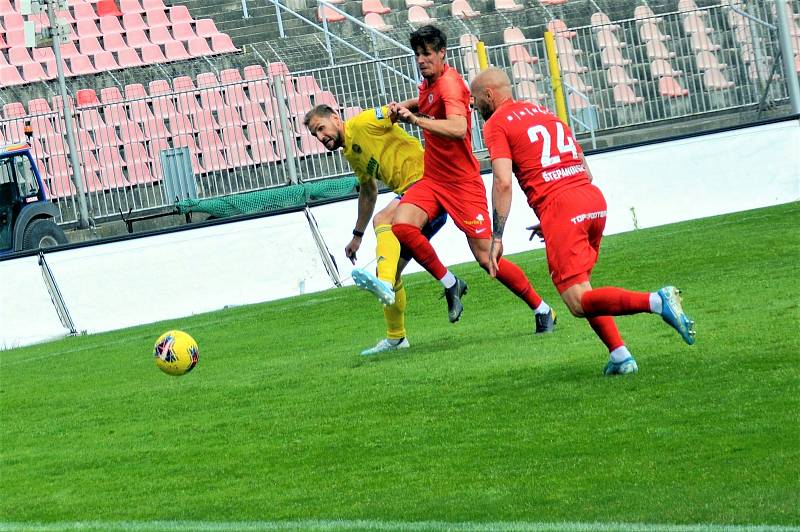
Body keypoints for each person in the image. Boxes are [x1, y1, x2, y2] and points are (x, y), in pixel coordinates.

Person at [471, 68, 696, 375]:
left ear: (489, 95)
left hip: (563, 207)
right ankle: (620, 356)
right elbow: (585, 170)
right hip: (591, 199)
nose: (474, 107)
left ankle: (657, 301)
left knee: (578, 303)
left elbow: (502, 182)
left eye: (475, 100)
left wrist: (497, 236)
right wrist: (553, 221)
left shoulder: (497, 123)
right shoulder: (545, 113)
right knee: (584, 290)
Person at [388, 25, 556, 332]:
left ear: (442, 53)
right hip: (434, 179)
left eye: (427, 54)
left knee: (485, 257)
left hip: (462, 184)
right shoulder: (430, 82)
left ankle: (543, 309)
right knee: (401, 224)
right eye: (417, 55)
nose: (421, 60)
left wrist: (416, 119)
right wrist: (406, 107)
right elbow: (427, 102)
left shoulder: (450, 86)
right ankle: (451, 283)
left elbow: (456, 127)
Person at [304, 104, 447, 355]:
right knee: (389, 267)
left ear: (336, 119)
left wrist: (430, 101)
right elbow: (368, 192)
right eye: (315, 135)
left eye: (321, 128)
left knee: (382, 220)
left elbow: (398, 109)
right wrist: (356, 236)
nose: (320, 137)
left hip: (426, 183)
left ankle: (385, 284)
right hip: (412, 196)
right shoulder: (351, 152)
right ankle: (397, 338)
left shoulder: (364, 122)